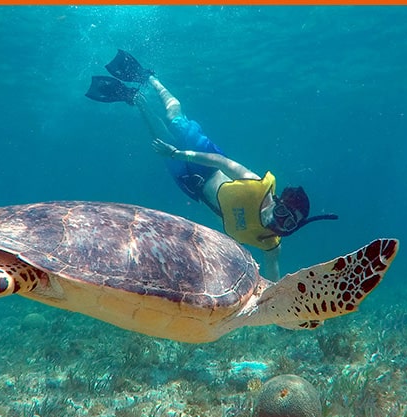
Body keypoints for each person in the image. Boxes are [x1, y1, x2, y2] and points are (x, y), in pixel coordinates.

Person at [86, 50, 337, 281]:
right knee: (176, 119)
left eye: (289, 224)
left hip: (193, 187)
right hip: (204, 159)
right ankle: (150, 78)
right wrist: (179, 153)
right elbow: (220, 162)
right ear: (279, 203)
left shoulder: (269, 243)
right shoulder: (258, 186)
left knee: (159, 138)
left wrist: (273, 303)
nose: (279, 223)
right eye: (283, 214)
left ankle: (135, 98)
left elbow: (272, 273)